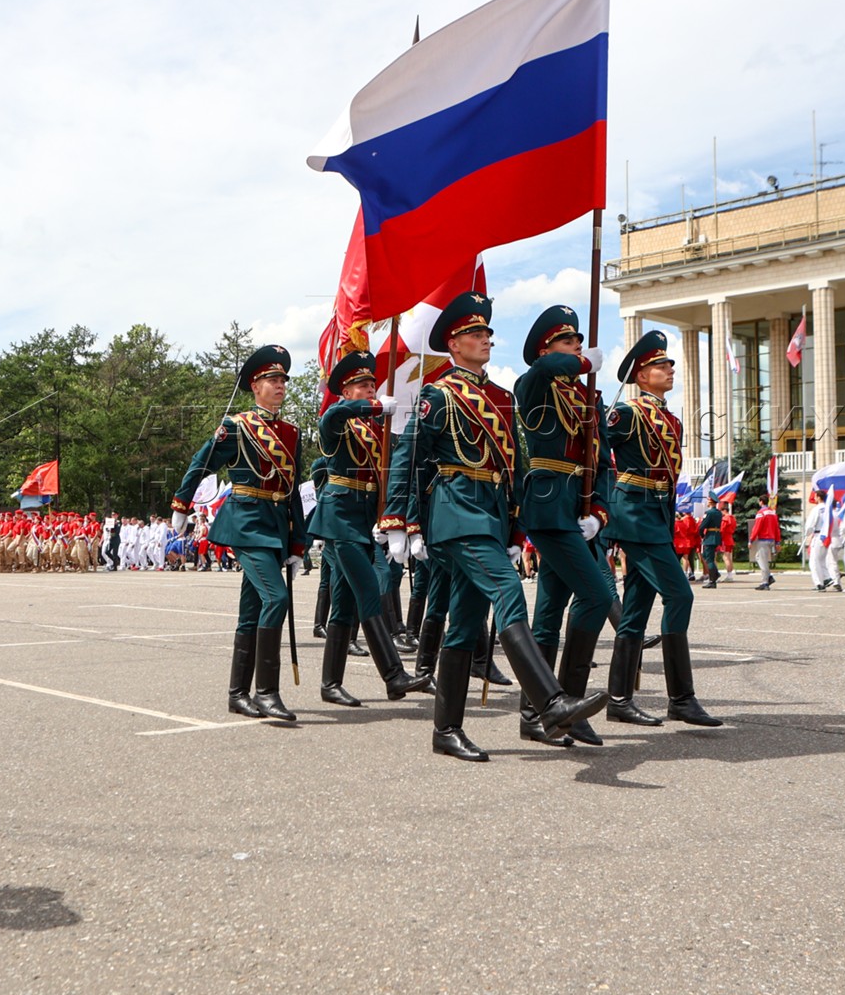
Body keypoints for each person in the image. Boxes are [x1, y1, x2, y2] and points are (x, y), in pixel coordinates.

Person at [383, 293, 605, 762]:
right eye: (475, 333)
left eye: (487, 332)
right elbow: (410, 459)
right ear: (454, 344)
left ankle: (446, 730)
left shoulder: (501, 398)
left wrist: (512, 532)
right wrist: (400, 520)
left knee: (463, 625)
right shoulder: (437, 395)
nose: (486, 339)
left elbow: (515, 468)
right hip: (456, 508)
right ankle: (550, 701)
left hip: (491, 514)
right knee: (508, 593)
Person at [173, 345, 309, 722]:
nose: (280, 385)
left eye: (283, 379)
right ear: (255, 385)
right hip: (246, 523)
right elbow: (202, 462)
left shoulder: (292, 433)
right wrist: (181, 504)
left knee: (252, 610)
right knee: (276, 597)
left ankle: (238, 694)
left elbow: (293, 490)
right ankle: (267, 692)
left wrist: (298, 543)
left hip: (276, 525)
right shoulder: (237, 426)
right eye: (273, 379)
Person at [604, 330, 718, 726]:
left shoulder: (670, 417)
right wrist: (602, 508)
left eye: (668, 363)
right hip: (633, 512)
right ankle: (681, 698)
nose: (669, 369)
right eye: (659, 364)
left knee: (635, 609)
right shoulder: (628, 413)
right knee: (680, 596)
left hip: (656, 514)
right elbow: (598, 452)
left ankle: (618, 700)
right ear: (640, 375)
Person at [514, 305, 615, 746]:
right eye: (566, 341)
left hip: (577, 508)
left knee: (548, 616)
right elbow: (550, 366)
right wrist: (583, 360)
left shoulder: (588, 397)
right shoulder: (535, 382)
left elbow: (602, 462)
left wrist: (598, 511)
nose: (576, 346)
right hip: (548, 504)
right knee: (596, 595)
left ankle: (535, 715)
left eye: (578, 340)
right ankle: (567, 704)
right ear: (546, 348)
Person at [308, 350, 432, 707]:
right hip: (339, 517)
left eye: (372, 385)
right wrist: (376, 408)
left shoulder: (379, 430)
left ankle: (330, 684)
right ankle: (394, 675)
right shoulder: (338, 420)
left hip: (364, 521)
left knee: (344, 606)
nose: (370, 390)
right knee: (370, 590)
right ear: (345, 391)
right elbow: (337, 413)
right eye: (362, 386)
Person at [749, 496, 781, 589]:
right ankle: (769, 577)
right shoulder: (772, 513)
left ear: (761, 502)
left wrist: (751, 539)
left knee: (762, 561)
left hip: (763, 539)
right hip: (772, 539)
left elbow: (757, 527)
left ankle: (765, 582)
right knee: (760, 558)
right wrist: (778, 542)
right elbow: (777, 528)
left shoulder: (761, 513)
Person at [697, 501, 722, 588]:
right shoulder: (719, 513)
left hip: (709, 537)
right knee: (706, 556)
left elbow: (702, 526)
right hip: (716, 536)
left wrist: (702, 534)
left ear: (711, 502)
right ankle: (716, 573)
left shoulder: (709, 513)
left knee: (709, 559)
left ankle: (712, 580)